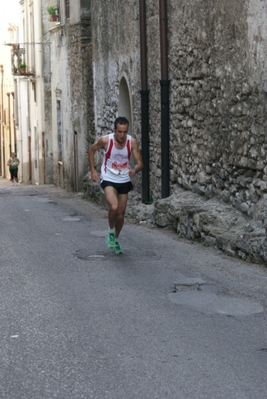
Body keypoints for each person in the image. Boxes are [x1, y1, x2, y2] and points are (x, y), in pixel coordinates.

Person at [88, 116, 143, 254]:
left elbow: (140, 163)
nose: (122, 135)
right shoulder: (106, 141)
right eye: (119, 131)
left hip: (124, 179)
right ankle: (111, 231)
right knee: (113, 206)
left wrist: (134, 170)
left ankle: (116, 239)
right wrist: (93, 171)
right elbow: (91, 150)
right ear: (114, 130)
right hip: (108, 177)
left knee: (120, 214)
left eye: (125, 132)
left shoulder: (132, 142)